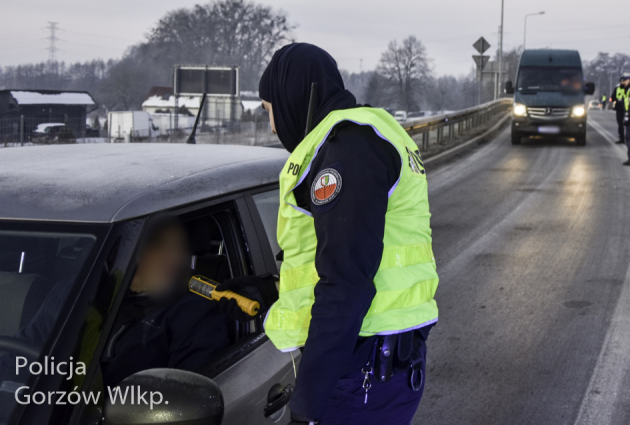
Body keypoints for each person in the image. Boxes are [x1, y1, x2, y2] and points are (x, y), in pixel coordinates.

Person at [255, 43, 439, 425]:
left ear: (295, 96)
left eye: (268, 110)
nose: (272, 125)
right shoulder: (363, 137)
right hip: (378, 359)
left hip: (363, 370)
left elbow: (346, 281)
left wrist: (307, 404)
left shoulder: (348, 149)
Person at [101, 220, 231, 386]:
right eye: (157, 244)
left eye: (180, 246)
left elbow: (192, 395)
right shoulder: (90, 297)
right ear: (120, 251)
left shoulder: (195, 313)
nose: (174, 257)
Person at [612, 77, 626, 143]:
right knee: (620, 124)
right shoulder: (617, 89)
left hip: (627, 109)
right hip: (619, 109)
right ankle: (622, 138)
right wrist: (617, 100)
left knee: (628, 124)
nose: (623, 82)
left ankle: (629, 137)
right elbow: (612, 97)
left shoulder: (629, 89)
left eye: (624, 81)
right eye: (622, 81)